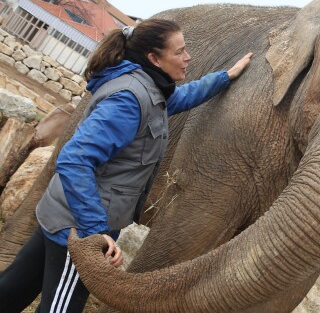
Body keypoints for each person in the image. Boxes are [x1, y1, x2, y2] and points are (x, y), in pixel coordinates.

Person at [0, 18, 252, 313]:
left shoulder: (147, 89)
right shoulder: (129, 100)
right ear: (154, 59)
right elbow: (75, 159)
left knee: (12, 291)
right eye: (180, 52)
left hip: (64, 214)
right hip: (80, 228)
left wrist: (226, 77)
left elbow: (180, 98)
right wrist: (94, 233)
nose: (188, 57)